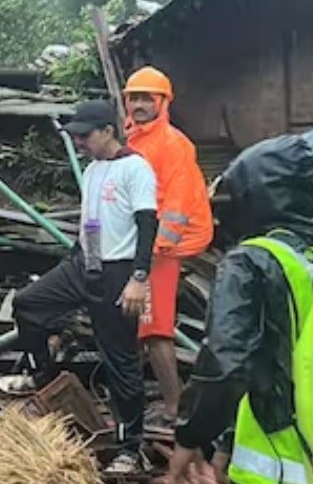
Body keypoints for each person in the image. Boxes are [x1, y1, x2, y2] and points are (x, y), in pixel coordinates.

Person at [163, 129, 313, 484]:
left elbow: (225, 364)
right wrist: (228, 443)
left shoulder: (252, 261)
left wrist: (190, 436)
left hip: (304, 457)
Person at [0, 100, 156, 475]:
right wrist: (77, 259)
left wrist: (139, 278)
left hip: (120, 273)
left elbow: (148, 226)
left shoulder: (136, 168)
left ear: (107, 131)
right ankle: (41, 375)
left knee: (121, 361)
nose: (80, 143)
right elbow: (92, 222)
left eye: (85, 136)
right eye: (77, 137)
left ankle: (131, 448)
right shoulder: (92, 171)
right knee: (28, 304)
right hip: (86, 263)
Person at [123, 66, 214, 426]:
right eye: (135, 97)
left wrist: (153, 251)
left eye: (148, 98)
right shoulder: (135, 138)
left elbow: (176, 204)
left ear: (164, 102)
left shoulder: (173, 144)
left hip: (162, 249)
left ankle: (175, 409)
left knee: (154, 327)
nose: (141, 104)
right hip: (144, 245)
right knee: (138, 324)